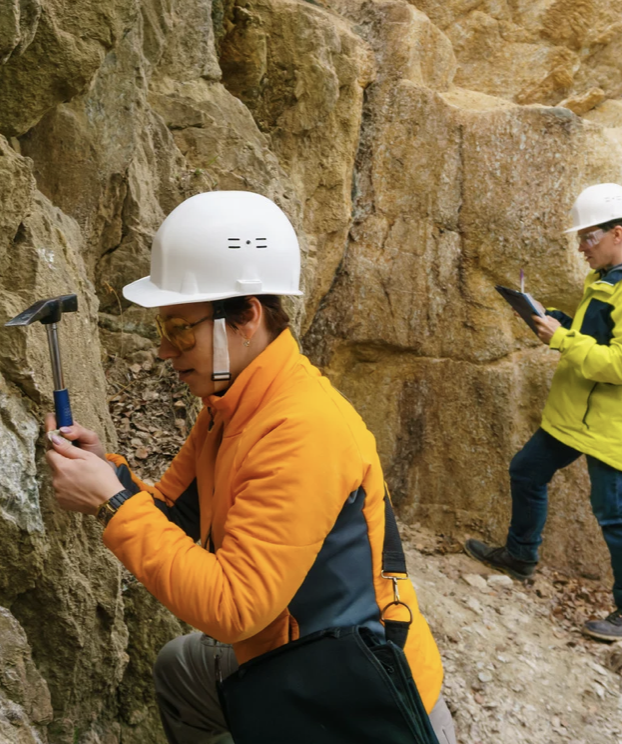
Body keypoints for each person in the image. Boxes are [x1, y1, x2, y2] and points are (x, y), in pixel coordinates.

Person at [43, 190, 455, 744]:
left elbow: (236, 608)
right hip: (294, 653)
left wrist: (110, 503)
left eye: (180, 328)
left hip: (361, 700)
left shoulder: (302, 428)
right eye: (164, 329)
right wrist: (109, 473)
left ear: (246, 318)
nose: (167, 351)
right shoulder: (231, 406)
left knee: (202, 655)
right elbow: (170, 515)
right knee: (181, 669)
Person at [466, 182, 622, 641]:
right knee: (527, 471)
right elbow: (601, 336)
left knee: (615, 514)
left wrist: (561, 339)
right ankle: (521, 557)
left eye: (588, 237)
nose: (581, 247)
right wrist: (559, 321)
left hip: (609, 423)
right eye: (580, 238)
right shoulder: (610, 280)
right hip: (576, 417)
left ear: (618, 234)